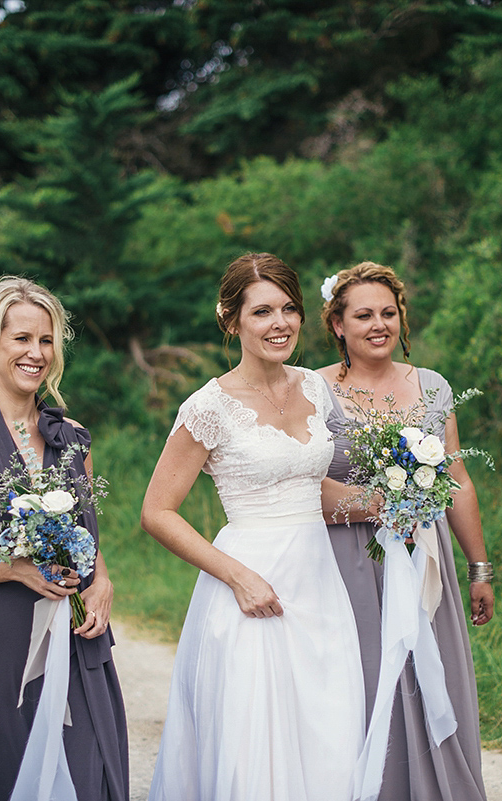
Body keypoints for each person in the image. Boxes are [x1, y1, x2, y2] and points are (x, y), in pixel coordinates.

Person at [142, 253, 365, 800]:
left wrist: (390, 500)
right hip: (250, 585)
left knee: (328, 733)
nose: (280, 323)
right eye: (262, 311)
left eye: (289, 309)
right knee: (255, 747)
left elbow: (308, 485)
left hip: (320, 584)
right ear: (231, 319)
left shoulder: (315, 387)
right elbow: (157, 511)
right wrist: (238, 577)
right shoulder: (208, 406)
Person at [0, 277, 127, 801]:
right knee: (8, 781)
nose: (36, 353)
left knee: (89, 777)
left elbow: (87, 534)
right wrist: (12, 569)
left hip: (75, 636)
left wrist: (101, 579)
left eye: (47, 340)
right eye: (22, 339)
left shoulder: (71, 435)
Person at [317, 261, 493, 800]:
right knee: (365, 681)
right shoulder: (311, 391)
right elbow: (300, 484)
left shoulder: (433, 388)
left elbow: (456, 477)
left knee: (427, 673)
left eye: (388, 313)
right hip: (347, 559)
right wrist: (373, 502)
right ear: (338, 324)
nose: (378, 325)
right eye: (363, 314)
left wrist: (479, 568)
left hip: (424, 560)